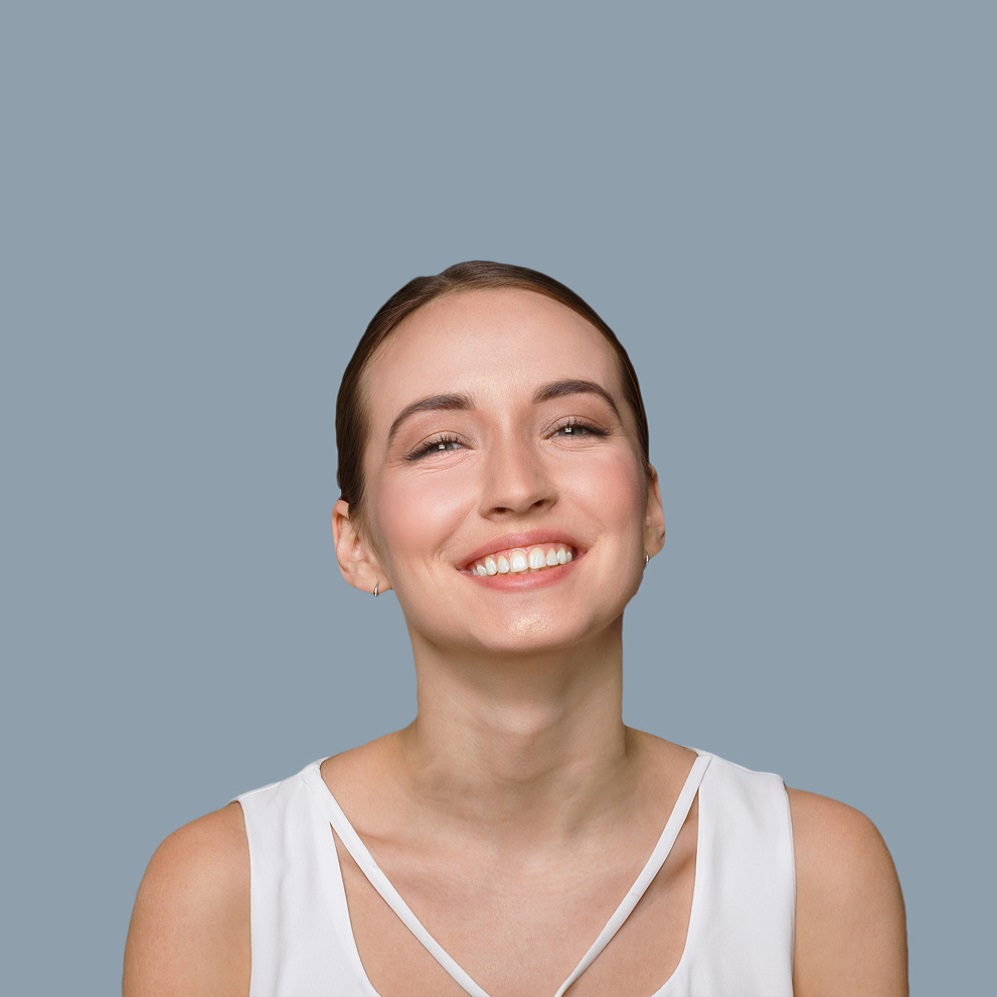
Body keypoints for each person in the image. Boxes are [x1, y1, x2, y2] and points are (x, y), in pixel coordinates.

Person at [123, 261, 908, 996]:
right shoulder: (223, 887)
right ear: (356, 543)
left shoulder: (813, 872)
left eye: (572, 427)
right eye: (439, 442)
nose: (516, 485)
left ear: (649, 506)